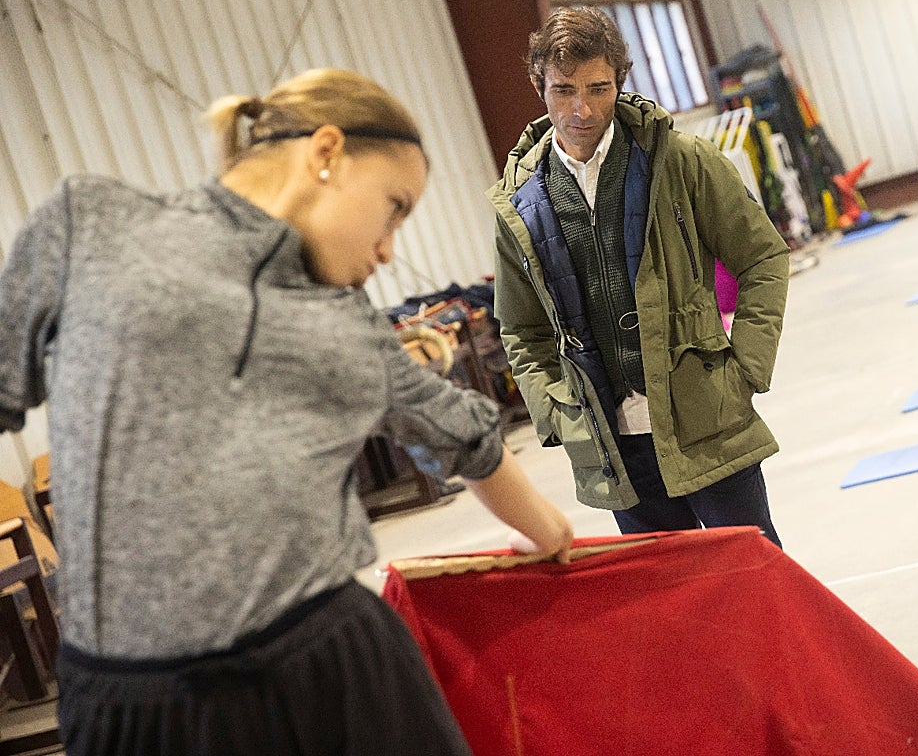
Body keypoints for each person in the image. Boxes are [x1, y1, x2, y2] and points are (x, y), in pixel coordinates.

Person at [0, 67, 574, 755]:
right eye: (394, 206)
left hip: (330, 678)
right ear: (326, 152)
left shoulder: (347, 319)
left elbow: (463, 436)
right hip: (130, 707)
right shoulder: (90, 223)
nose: (389, 249)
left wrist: (551, 536)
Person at [487, 7, 790, 548]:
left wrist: (745, 366)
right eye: (563, 91)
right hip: (613, 447)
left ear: (620, 82)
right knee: (665, 601)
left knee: (752, 579)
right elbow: (520, 328)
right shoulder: (520, 203)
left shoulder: (682, 161)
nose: (581, 109)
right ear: (539, 84)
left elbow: (763, 258)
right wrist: (556, 410)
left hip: (708, 422)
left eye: (598, 89)